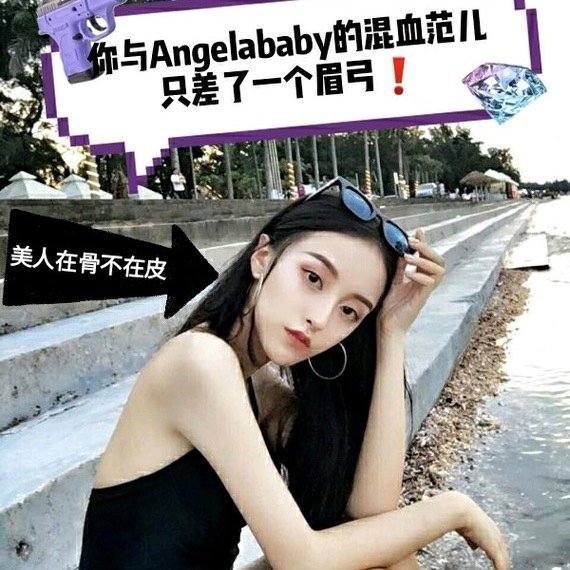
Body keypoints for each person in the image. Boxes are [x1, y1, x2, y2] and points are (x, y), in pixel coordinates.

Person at [78, 176, 511, 570]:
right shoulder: (199, 362)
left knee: (385, 559)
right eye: (313, 278)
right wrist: (452, 509)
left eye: (350, 311)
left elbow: (369, 511)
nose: (320, 319)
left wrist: (391, 332)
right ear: (262, 257)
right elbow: (302, 560)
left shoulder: (260, 390)